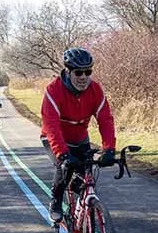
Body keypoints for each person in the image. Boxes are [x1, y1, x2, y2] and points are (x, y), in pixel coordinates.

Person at [40, 46, 116, 220]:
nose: (83, 77)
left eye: (88, 72)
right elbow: (51, 125)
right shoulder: (53, 90)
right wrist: (62, 154)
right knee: (65, 168)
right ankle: (56, 200)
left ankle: (88, 227)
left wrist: (109, 149)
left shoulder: (95, 90)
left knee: (87, 180)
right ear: (68, 71)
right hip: (54, 138)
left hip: (80, 137)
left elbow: (105, 120)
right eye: (78, 72)